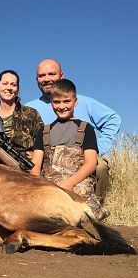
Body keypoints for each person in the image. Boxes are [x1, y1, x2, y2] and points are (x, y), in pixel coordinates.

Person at [26, 59, 121, 200]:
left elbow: (113, 119)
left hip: (83, 154)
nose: (46, 79)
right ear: (36, 79)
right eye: (42, 75)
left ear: (62, 76)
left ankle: (97, 203)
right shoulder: (29, 108)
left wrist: (97, 148)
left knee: (99, 166)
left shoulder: (84, 102)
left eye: (51, 74)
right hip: (48, 158)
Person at [30, 78, 110, 221]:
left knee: (83, 215)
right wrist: (37, 187)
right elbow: (36, 164)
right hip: (50, 184)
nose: (62, 106)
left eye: (66, 101)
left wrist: (69, 184)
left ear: (75, 102)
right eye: (57, 102)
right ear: (51, 102)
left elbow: (91, 163)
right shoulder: (43, 131)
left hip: (77, 183)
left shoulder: (86, 128)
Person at [0, 70, 43, 162]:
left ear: (18, 90)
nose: (9, 88)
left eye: (13, 85)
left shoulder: (31, 114)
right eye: (5, 83)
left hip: (24, 169)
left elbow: (40, 146)